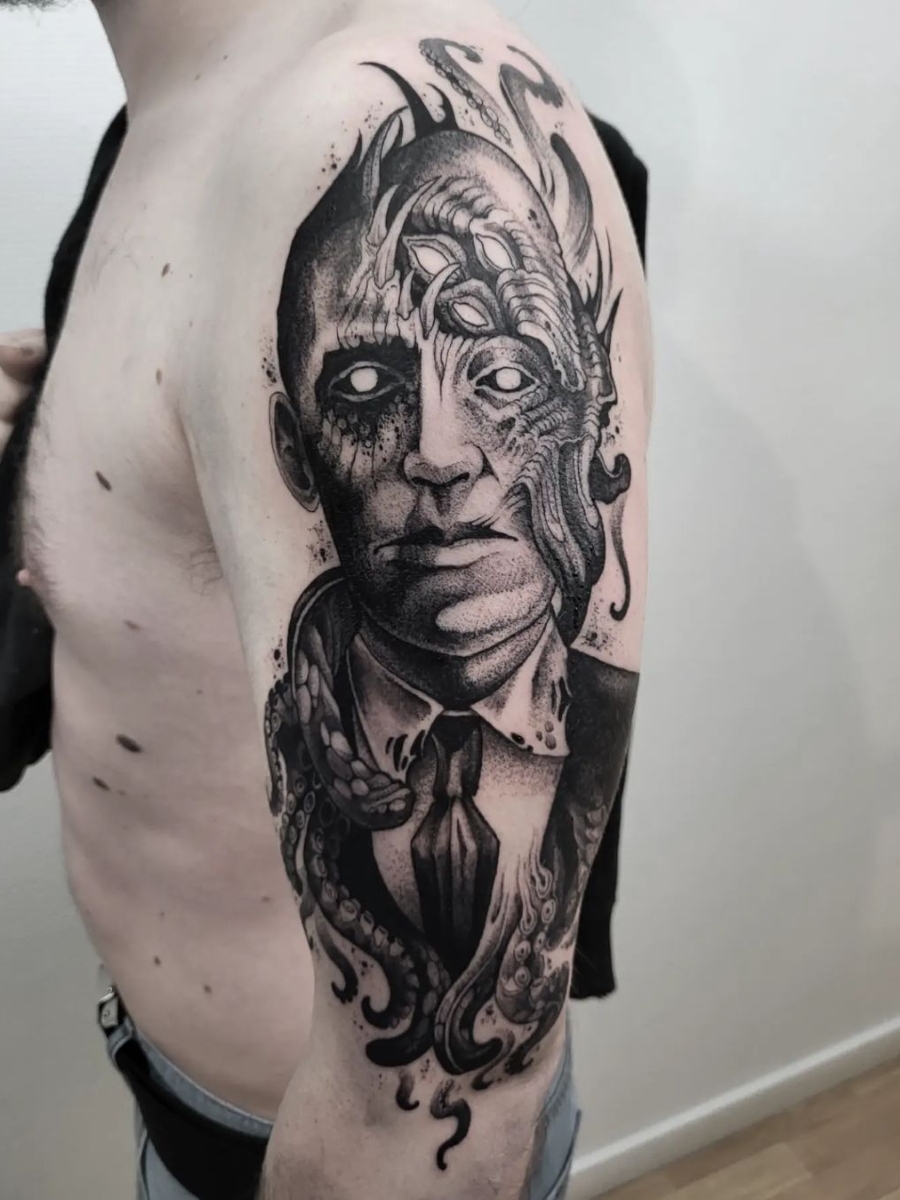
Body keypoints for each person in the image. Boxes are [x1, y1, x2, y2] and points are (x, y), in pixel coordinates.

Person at [0, 2, 652, 1197]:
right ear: (297, 449)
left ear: (584, 426)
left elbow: (445, 1124)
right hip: (181, 1105)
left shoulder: (340, 111)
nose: (439, 452)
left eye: (504, 370)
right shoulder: (158, 135)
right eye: (363, 386)